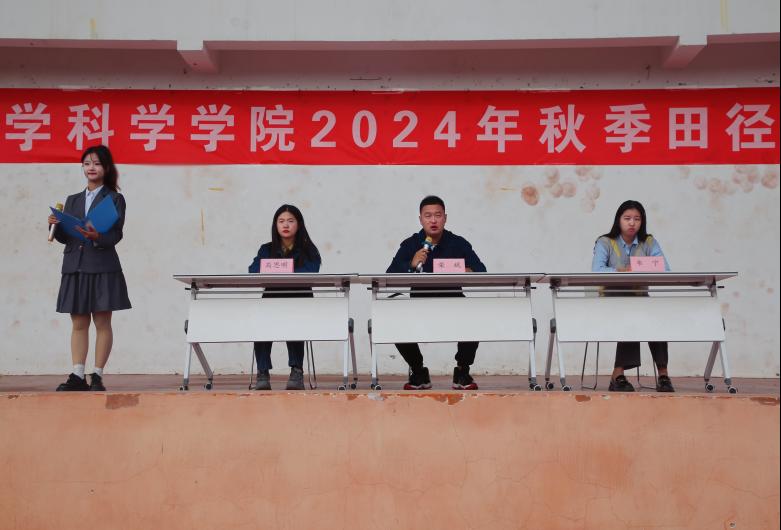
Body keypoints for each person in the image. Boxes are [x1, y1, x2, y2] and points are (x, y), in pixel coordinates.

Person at [47, 145, 131, 392]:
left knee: (102, 322)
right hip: (75, 266)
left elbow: (116, 235)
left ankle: (97, 375)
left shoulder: (114, 199)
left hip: (102, 265)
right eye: (86, 163)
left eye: (96, 163)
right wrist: (55, 225)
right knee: (78, 323)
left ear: (106, 167)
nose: (91, 168)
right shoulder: (72, 199)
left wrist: (97, 236)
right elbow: (67, 237)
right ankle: (77, 374)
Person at [386, 195, 487, 390]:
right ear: (420, 219)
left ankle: (462, 370)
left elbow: (481, 271)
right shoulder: (411, 244)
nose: (433, 220)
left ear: (445, 218)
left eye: (438, 215)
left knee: (474, 313)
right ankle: (418, 371)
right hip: (420, 303)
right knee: (394, 316)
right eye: (428, 216)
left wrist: (465, 270)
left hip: (453, 302)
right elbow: (390, 275)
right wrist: (411, 265)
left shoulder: (458, 243)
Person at [591, 199, 674, 393]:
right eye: (627, 218)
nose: (632, 223)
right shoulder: (605, 242)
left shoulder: (649, 242)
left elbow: (665, 269)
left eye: (637, 219)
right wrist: (622, 270)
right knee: (632, 313)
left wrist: (640, 268)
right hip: (610, 300)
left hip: (639, 299)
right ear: (618, 220)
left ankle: (663, 375)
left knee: (656, 315)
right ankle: (618, 374)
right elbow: (597, 271)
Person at [248, 204, 321, 390]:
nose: (285, 225)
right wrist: (285, 269)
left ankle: (296, 370)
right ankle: (262, 372)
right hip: (272, 298)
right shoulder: (266, 249)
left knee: (295, 323)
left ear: (299, 224)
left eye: (290, 221)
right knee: (261, 323)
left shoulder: (308, 249)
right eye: (281, 221)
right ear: (275, 225)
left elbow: (310, 271)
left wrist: (278, 268)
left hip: (300, 299)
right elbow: (254, 270)